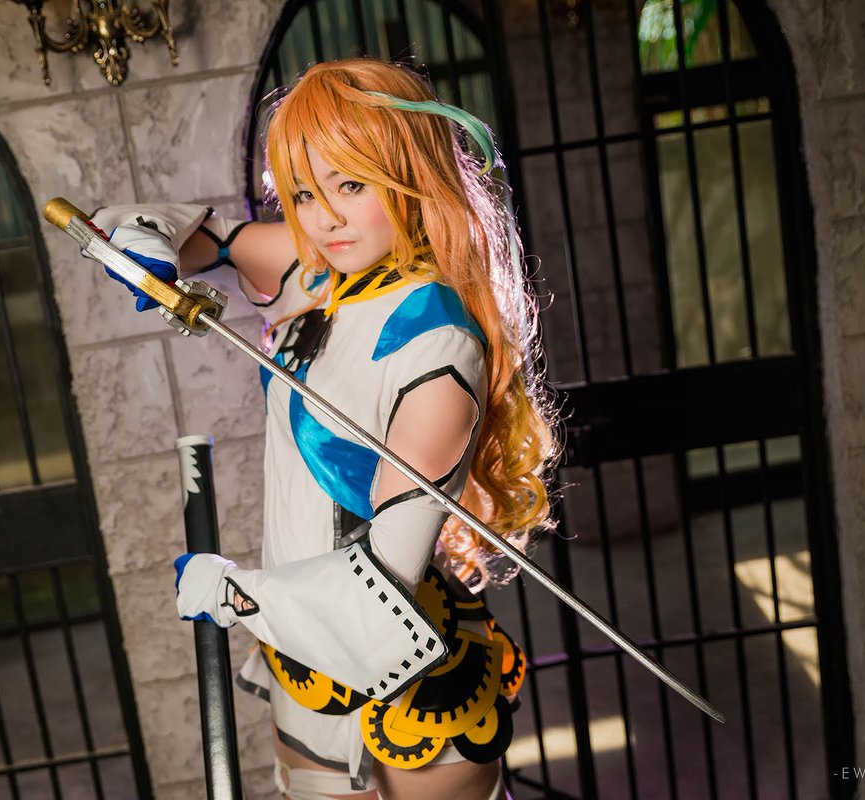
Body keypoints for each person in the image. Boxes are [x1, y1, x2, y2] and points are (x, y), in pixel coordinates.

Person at [91, 58, 555, 800]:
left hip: (405, 688)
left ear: (410, 178)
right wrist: (147, 248)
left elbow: (383, 588)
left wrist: (237, 594)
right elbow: (199, 235)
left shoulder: (436, 345)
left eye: (352, 185)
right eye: (305, 192)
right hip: (304, 659)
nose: (324, 218)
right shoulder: (321, 275)